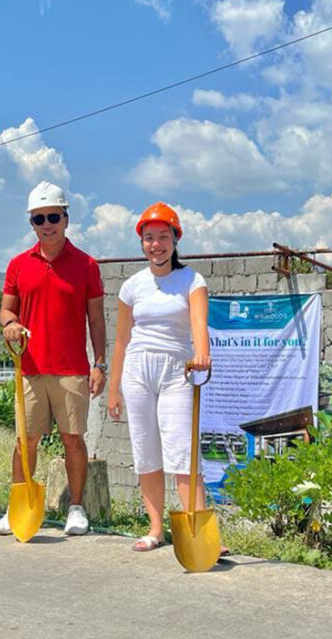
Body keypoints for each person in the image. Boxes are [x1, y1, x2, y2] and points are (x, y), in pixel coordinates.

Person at [0, 181, 106, 536]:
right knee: (25, 441)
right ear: (32, 223)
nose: (47, 224)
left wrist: (99, 364)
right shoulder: (17, 265)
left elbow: (96, 320)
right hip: (28, 368)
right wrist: (11, 325)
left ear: (66, 218)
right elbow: (6, 312)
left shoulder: (87, 265)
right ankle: (18, 507)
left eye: (53, 216)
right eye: (39, 218)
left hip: (72, 368)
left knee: (73, 439)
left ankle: (76, 507)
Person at [106, 203, 212, 552]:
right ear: (141, 243)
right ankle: (155, 529)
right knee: (146, 450)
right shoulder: (132, 286)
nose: (156, 245)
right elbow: (121, 339)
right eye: (149, 238)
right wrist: (114, 390)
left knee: (182, 450)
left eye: (163, 237)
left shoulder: (191, 280)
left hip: (176, 371)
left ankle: (198, 530)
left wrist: (202, 353)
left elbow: (199, 323)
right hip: (137, 371)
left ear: (176, 239)